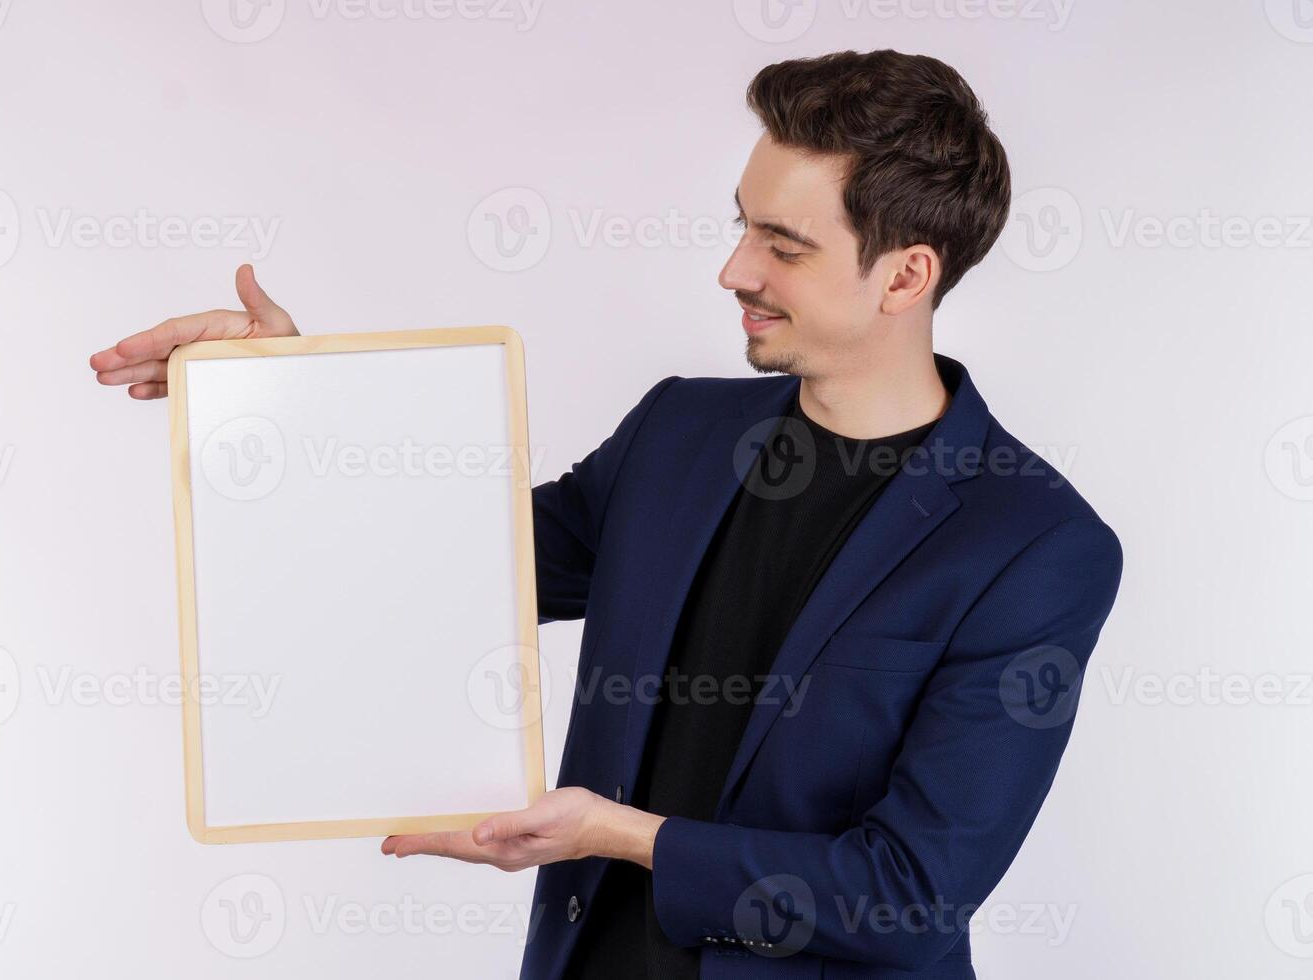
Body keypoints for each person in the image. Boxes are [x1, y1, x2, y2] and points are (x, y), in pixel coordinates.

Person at [89, 49, 1122, 980]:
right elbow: (445, 566)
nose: (735, 271)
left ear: (907, 273)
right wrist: (281, 399)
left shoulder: (1034, 546)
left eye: (785, 245)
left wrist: (621, 834)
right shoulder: (679, 429)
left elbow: (909, 893)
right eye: (740, 224)